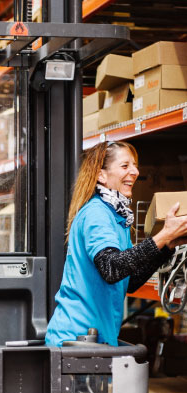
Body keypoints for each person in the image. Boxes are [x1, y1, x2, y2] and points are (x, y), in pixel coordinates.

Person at [45, 141, 187, 347]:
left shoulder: (117, 217)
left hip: (95, 340)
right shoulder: (97, 213)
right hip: (75, 340)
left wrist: (167, 246)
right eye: (125, 166)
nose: (135, 171)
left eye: (135, 165)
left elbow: (129, 281)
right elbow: (111, 268)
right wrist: (163, 235)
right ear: (101, 175)